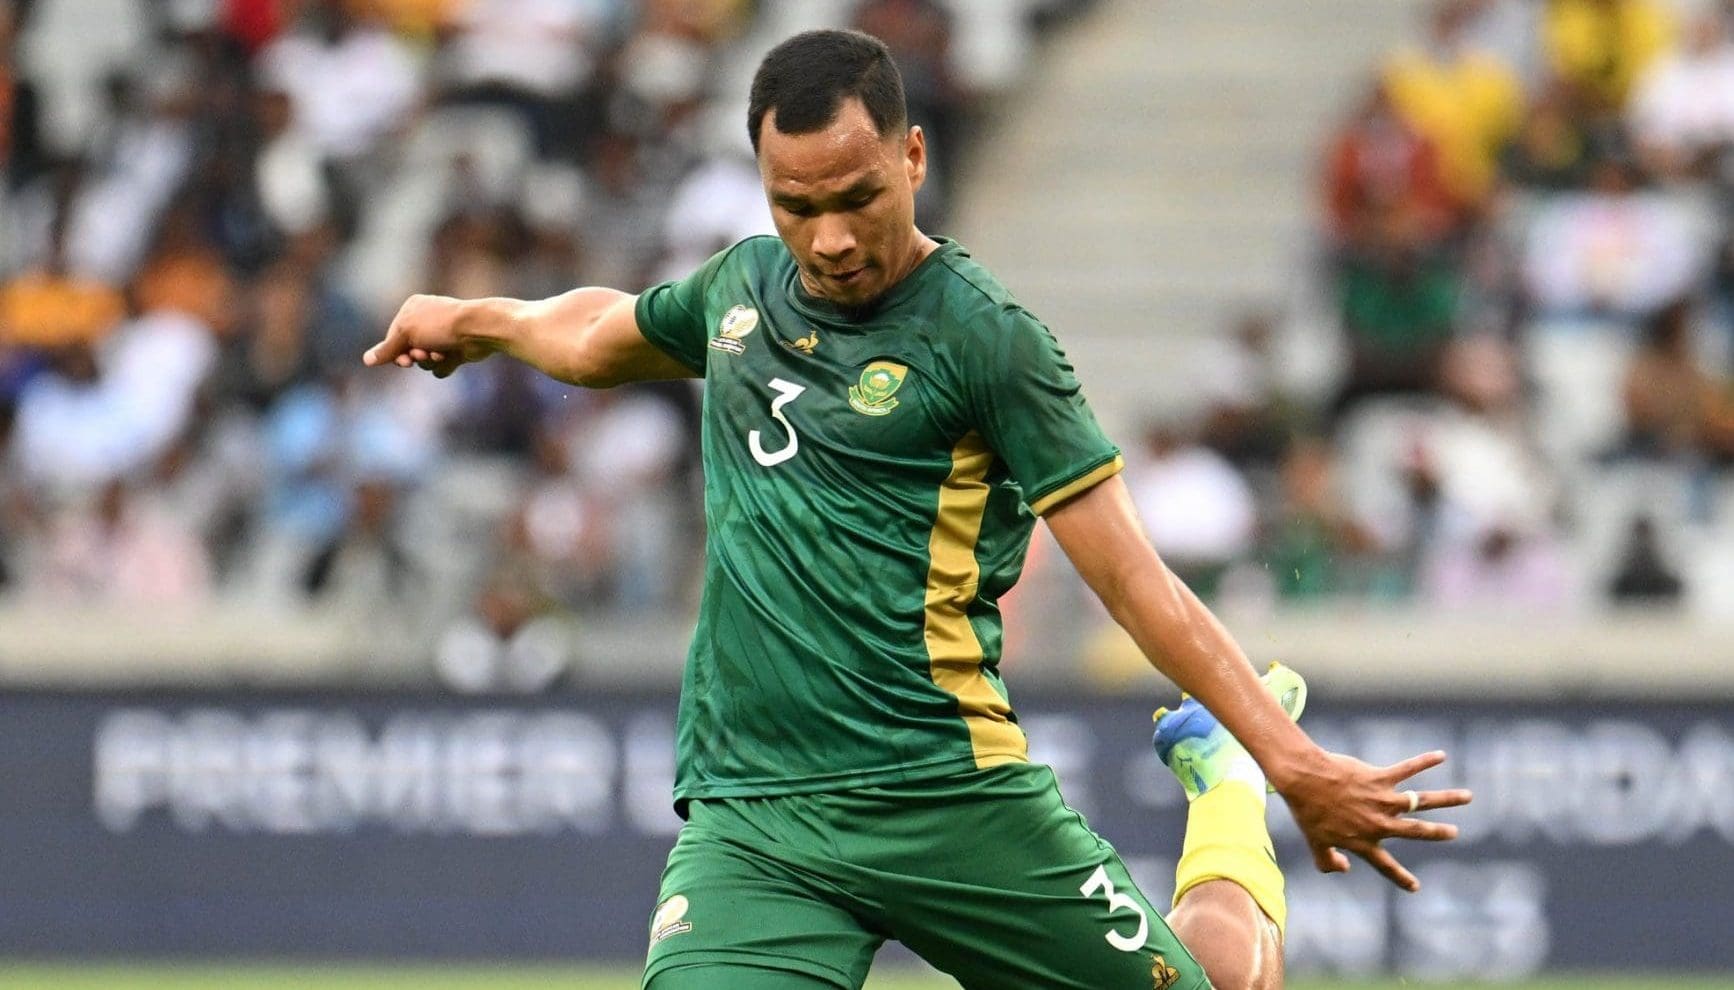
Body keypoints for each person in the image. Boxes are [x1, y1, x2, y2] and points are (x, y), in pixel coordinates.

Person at [363, 30, 1472, 990]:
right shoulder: (742, 290)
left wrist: (1288, 763)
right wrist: (478, 317)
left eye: (858, 199)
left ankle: (1219, 785)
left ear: (913, 156)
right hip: (755, 815)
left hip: (944, 794)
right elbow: (601, 334)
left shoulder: (989, 340)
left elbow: (1132, 576)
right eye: (797, 207)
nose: (830, 239)